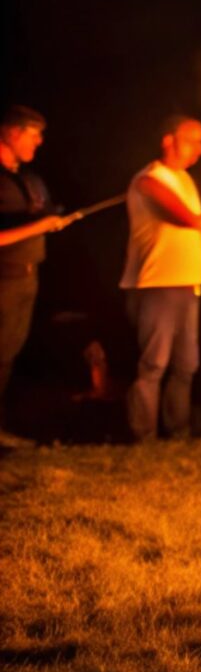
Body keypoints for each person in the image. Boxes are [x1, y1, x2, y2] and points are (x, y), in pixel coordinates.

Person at [121, 115, 201, 442]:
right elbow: (180, 215)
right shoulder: (149, 178)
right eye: (192, 140)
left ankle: (178, 433)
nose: (199, 149)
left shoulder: (185, 179)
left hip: (188, 284)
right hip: (156, 285)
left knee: (186, 365)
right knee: (153, 365)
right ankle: (143, 437)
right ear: (168, 141)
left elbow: (191, 224)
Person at [1, 105, 74, 448]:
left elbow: (40, 217)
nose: (40, 142)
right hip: (4, 279)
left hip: (28, 279)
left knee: (8, 355)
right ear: (12, 133)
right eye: (34, 135)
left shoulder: (29, 178)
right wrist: (39, 226)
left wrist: (54, 219)